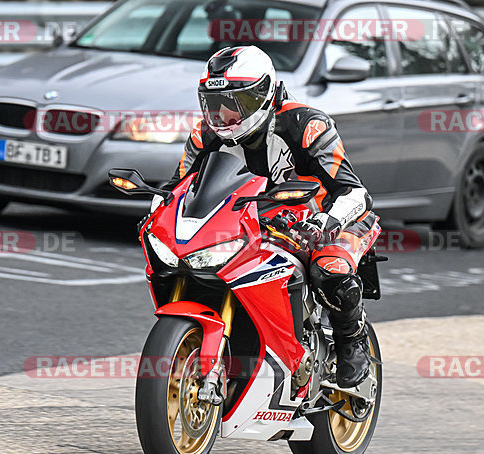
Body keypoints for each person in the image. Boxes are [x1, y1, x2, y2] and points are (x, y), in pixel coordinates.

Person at [163, 45, 380, 388]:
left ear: (264, 93)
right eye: (215, 103)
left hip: (333, 218)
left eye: (237, 104)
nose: (224, 115)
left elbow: (354, 193)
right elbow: (179, 188)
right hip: (263, 221)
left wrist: (326, 222)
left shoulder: (307, 125)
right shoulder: (204, 134)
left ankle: (352, 345)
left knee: (329, 266)